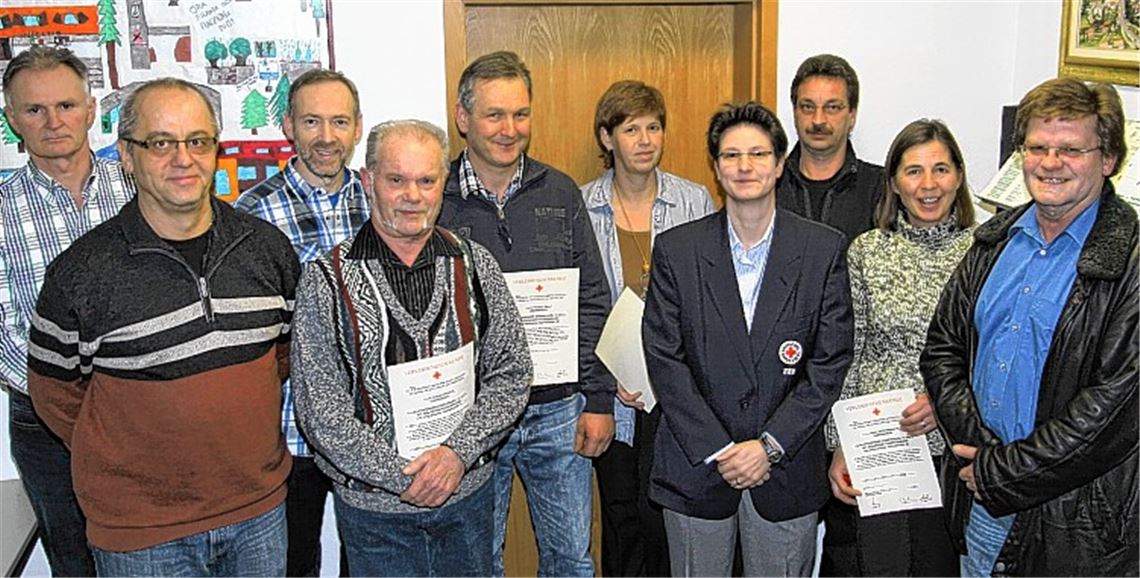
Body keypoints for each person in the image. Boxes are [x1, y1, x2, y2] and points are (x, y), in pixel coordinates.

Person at [26, 78, 299, 576]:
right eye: (160, 143)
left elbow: (280, 359)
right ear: (127, 157)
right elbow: (56, 397)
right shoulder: (81, 273)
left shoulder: (266, 249)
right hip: (142, 535)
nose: (183, 159)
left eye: (198, 141)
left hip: (258, 513)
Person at [290, 119, 532, 577]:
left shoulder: (476, 264)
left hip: (468, 503)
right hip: (375, 516)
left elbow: (512, 371)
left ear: (443, 184)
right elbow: (320, 411)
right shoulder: (324, 280)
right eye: (396, 180)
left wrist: (455, 455)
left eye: (426, 181)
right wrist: (405, 477)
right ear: (368, 180)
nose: (412, 196)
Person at [923, 78, 1138, 576]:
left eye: (1070, 149)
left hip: (1077, 526)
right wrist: (982, 456)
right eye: (1037, 147)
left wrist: (1003, 470)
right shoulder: (993, 241)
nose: (1049, 162)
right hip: (981, 503)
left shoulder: (1129, 260)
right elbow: (942, 351)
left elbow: (1116, 406)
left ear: (1107, 160)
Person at [642, 101, 853, 577]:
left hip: (785, 467)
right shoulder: (678, 251)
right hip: (698, 466)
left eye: (758, 154)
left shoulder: (822, 249)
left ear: (780, 164)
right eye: (732, 155)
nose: (745, 166)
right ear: (715, 168)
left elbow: (829, 361)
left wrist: (769, 446)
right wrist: (721, 449)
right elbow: (665, 359)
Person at [437, 50, 614, 577]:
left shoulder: (559, 191)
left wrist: (598, 397)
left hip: (559, 411)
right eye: (495, 115)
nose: (510, 129)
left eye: (520, 114)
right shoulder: (433, 199)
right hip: (472, 418)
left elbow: (592, 300)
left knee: (572, 559)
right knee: (476, 562)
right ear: (463, 119)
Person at [0, 45, 135, 577]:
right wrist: (70, 402)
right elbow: (4, 332)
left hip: (144, 410)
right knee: (76, 561)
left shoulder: (138, 193)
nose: (53, 122)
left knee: (152, 556)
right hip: (47, 422)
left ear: (91, 108)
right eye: (34, 110)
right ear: (11, 119)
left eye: (66, 106)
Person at [824, 119, 975, 576]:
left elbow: (993, 360)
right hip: (879, 447)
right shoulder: (866, 251)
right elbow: (851, 354)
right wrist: (840, 445)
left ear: (959, 176)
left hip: (950, 450)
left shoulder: (985, 252)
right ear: (893, 181)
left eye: (941, 169)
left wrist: (946, 406)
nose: (928, 185)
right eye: (913, 171)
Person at [234, 67, 369, 577]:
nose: (327, 137)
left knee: (369, 564)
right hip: (288, 431)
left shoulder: (381, 201)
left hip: (368, 428)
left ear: (358, 127)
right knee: (294, 565)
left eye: (339, 121)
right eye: (312, 121)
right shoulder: (251, 215)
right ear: (288, 125)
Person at [580, 79, 714, 577]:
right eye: (630, 128)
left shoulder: (695, 200)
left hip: (676, 395)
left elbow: (707, 301)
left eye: (653, 127)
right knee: (621, 518)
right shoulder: (581, 205)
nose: (644, 140)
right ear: (606, 137)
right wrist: (606, 376)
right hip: (611, 395)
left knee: (666, 518)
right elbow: (577, 305)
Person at [776, 53, 885, 240]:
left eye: (832, 107)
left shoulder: (880, 188)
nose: (818, 120)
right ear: (795, 113)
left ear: (852, 115)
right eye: (808, 107)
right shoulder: (769, 184)